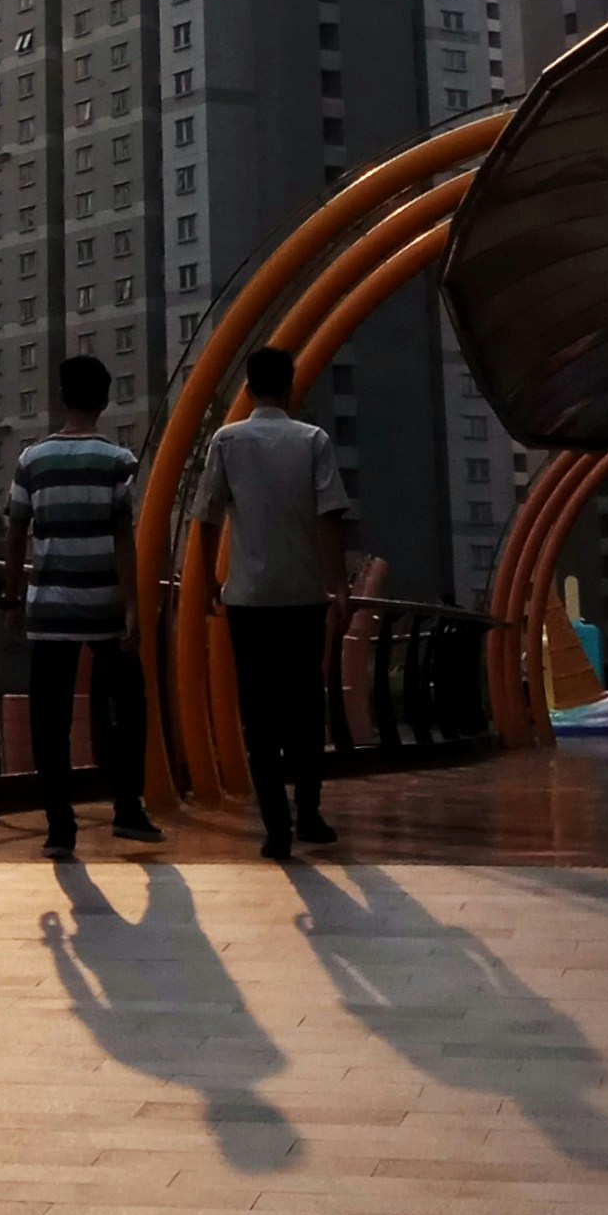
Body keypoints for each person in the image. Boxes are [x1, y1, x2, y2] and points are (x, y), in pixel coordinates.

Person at [193, 340, 351, 858]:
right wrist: (339, 585)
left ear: (247, 387)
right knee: (307, 708)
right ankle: (310, 814)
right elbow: (331, 516)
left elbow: (208, 517)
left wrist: (204, 586)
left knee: (258, 715)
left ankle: (275, 827)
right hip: (305, 595)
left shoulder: (227, 441)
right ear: (289, 386)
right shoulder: (314, 440)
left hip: (248, 598)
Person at [3, 352, 165, 857]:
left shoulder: (31, 460)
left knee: (49, 716)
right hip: (105, 606)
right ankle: (128, 808)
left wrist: (13, 595)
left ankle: (59, 825)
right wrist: (134, 609)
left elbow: (13, 535)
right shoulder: (119, 462)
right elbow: (124, 540)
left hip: (48, 607)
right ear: (106, 399)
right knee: (129, 704)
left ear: (60, 396)